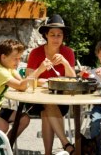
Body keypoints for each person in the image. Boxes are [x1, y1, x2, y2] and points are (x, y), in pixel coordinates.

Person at [26, 14, 76, 155]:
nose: (56, 38)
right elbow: (28, 80)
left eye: (59, 35)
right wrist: (41, 69)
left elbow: (73, 79)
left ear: (63, 37)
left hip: (61, 99)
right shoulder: (36, 53)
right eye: (52, 34)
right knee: (47, 104)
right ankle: (66, 143)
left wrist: (65, 63)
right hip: (35, 100)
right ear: (46, 35)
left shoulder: (68, 52)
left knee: (47, 110)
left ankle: (48, 153)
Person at [0, 39, 30, 141]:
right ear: (3, 57)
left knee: (24, 119)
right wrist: (39, 70)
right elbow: (21, 86)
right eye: (15, 58)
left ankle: (6, 149)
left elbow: (22, 82)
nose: (18, 61)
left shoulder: (8, 67)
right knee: (3, 126)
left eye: (20, 58)